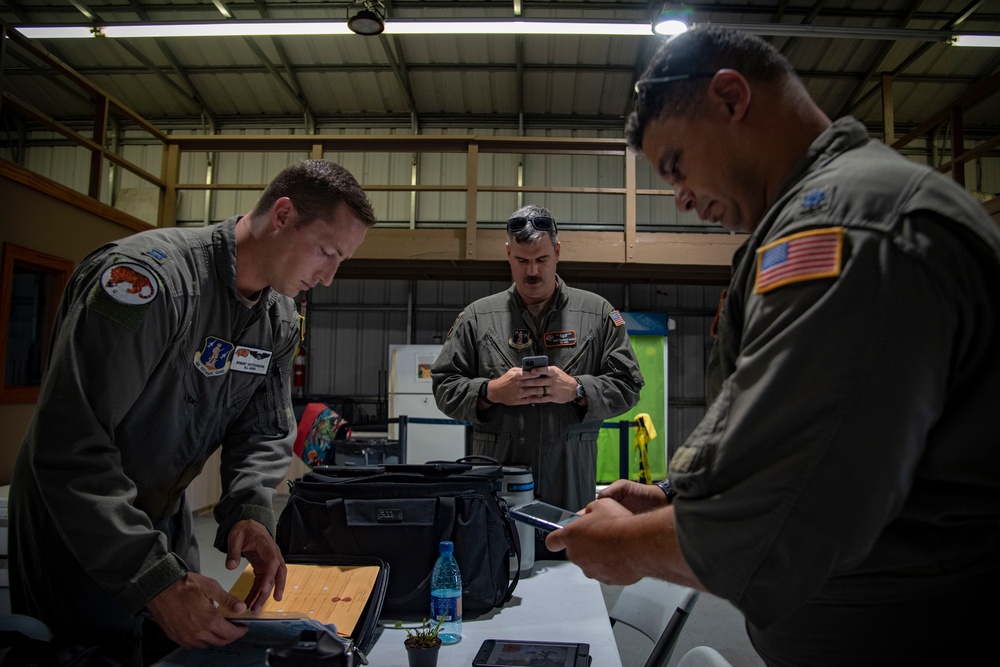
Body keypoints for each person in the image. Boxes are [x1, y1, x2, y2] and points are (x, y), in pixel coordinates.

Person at [546, 26, 1000, 666]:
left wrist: (630, 547)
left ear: (731, 98)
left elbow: (787, 518)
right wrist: (673, 505)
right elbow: (828, 446)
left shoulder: (849, 227)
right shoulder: (823, 217)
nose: (679, 199)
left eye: (676, 165)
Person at [8, 159, 377, 665]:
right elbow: (70, 447)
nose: (330, 278)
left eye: (342, 261)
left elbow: (264, 429)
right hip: (81, 524)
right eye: (327, 253)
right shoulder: (148, 282)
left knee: (179, 650)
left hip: (164, 517)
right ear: (284, 215)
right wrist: (155, 580)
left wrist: (250, 509)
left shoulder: (278, 317)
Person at [431, 204, 645, 520]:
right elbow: (444, 386)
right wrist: (490, 392)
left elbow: (629, 384)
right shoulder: (477, 318)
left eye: (542, 260)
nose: (532, 271)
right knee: (501, 557)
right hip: (497, 486)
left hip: (570, 484)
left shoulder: (597, 313)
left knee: (568, 557)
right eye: (522, 261)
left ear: (557, 252)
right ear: (508, 253)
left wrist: (577, 389)